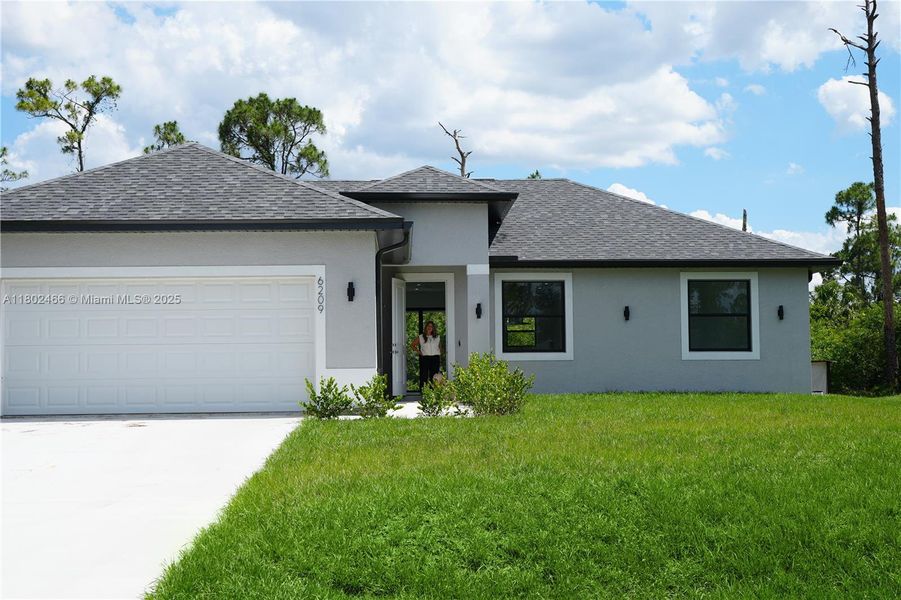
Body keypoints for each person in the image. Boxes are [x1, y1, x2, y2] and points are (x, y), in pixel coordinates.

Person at [411, 320, 442, 389]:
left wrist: (440, 359)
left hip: (435, 358)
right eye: (428, 326)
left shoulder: (437, 337)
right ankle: (424, 391)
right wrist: (419, 352)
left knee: (434, 376)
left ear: (433, 328)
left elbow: (439, 349)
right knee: (424, 375)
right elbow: (412, 345)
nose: (430, 327)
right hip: (425, 358)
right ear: (426, 327)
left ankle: (433, 391)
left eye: (431, 326)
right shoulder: (421, 337)